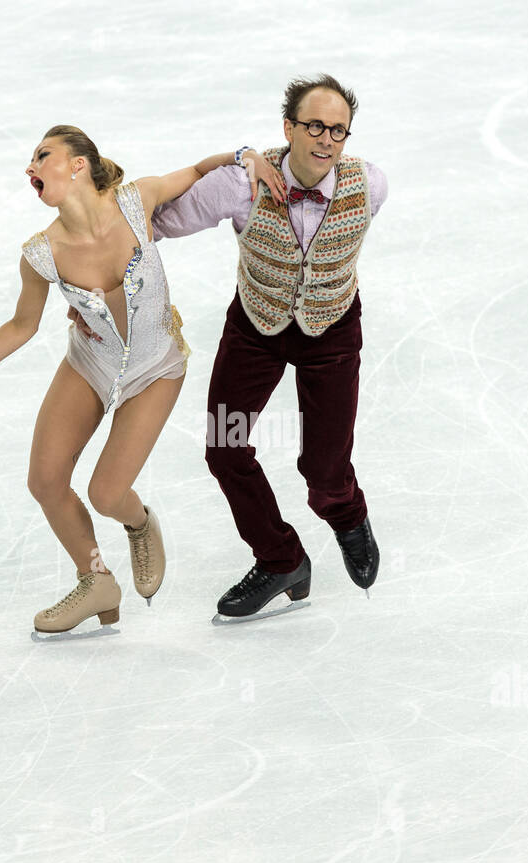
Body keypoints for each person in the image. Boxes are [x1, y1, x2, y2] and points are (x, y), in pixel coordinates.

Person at [0, 126, 283, 633]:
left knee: (107, 493)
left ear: (79, 164)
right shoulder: (40, 254)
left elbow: (197, 172)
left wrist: (245, 156)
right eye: (30, 161)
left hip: (156, 369)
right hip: (90, 363)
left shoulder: (137, 202)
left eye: (43, 156)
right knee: (44, 481)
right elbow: (22, 325)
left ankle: (138, 523)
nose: (31, 167)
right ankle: (97, 582)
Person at [121, 75, 387, 617]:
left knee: (324, 473)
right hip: (255, 330)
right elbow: (160, 221)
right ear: (288, 127)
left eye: (338, 130)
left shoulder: (371, 185)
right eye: (314, 125)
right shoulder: (240, 185)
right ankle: (280, 558)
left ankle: (347, 515)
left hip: (332, 333)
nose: (326, 139)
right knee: (225, 448)